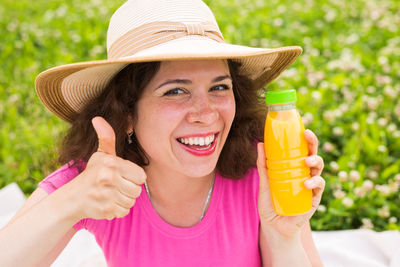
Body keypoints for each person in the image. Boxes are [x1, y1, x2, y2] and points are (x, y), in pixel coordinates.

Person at [0, 0, 325, 266]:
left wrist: (283, 235)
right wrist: (69, 202)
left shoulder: (265, 167)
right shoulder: (97, 180)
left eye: (219, 87)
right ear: (126, 112)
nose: (207, 113)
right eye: (175, 92)